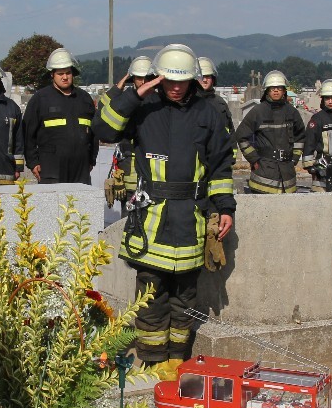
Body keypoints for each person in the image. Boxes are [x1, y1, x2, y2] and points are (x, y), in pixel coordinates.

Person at [92, 44, 235, 387]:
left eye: (182, 81)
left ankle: (176, 357)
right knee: (150, 292)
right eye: (170, 80)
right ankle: (152, 359)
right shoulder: (143, 109)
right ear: (159, 78)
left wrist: (225, 207)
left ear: (193, 80)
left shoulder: (208, 113)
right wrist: (132, 96)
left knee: (185, 293)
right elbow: (103, 131)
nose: (176, 87)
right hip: (151, 218)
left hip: (191, 216)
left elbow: (220, 165)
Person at [23, 47, 98, 184]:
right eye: (60, 73)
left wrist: (92, 159)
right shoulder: (40, 99)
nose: (65, 77)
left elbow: (94, 133)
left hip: (80, 169)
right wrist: (33, 162)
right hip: (51, 168)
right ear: (52, 74)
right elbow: (28, 134)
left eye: (68, 73)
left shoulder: (84, 99)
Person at [232, 70, 305, 194]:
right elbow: (241, 135)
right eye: (272, 88)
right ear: (267, 91)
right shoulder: (258, 111)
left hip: (287, 176)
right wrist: (254, 159)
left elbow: (300, 136)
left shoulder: (292, 112)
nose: (276, 91)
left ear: (284, 90)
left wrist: (294, 159)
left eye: (279, 88)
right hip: (263, 176)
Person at [97, 56, 152, 213]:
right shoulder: (125, 101)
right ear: (133, 78)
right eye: (139, 77)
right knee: (128, 222)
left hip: (152, 178)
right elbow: (102, 108)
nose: (143, 81)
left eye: (147, 77)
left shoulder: (158, 102)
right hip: (127, 174)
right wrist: (119, 86)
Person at [195, 57, 234, 139]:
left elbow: (230, 131)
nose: (205, 80)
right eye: (202, 76)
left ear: (213, 79)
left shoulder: (220, 103)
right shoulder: (188, 102)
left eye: (208, 76)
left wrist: (231, 150)